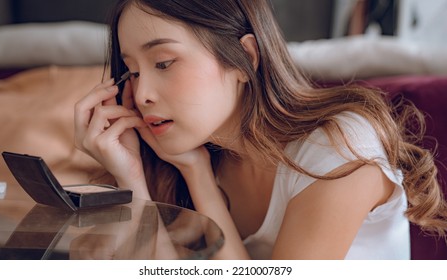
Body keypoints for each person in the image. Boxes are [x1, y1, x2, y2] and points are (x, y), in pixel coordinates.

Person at [74, 0, 447, 259]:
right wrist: (135, 177)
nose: (142, 94)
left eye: (164, 62)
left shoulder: (340, 149)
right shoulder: (194, 160)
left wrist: (200, 180)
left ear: (244, 59)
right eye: (133, 72)